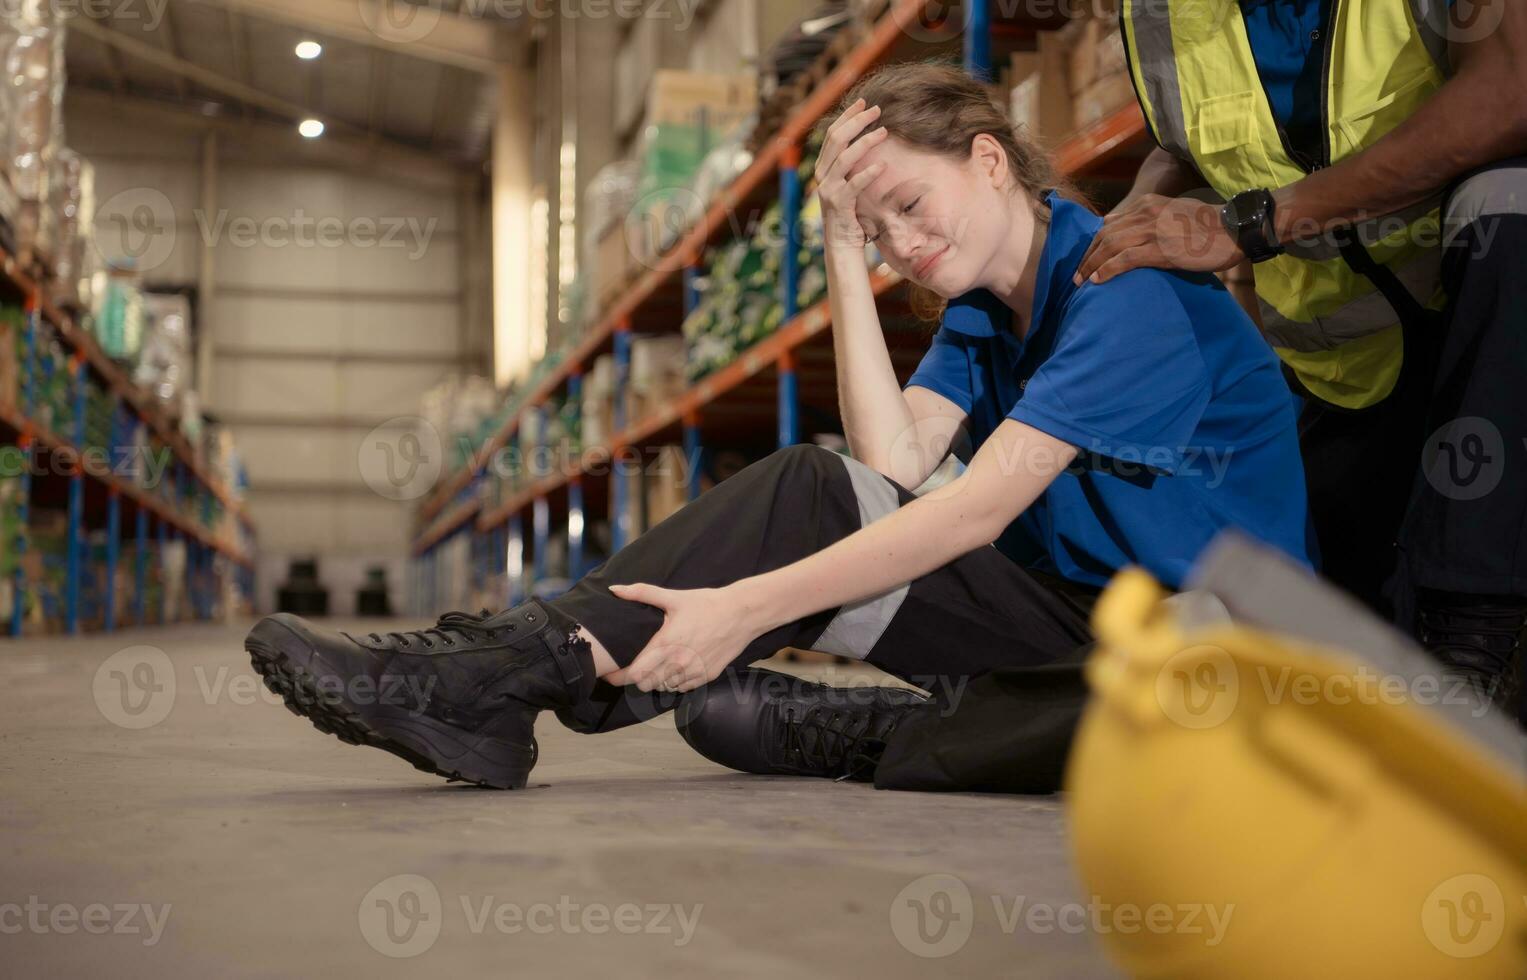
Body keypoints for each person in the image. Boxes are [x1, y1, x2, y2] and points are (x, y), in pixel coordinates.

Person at [245, 61, 1312, 791]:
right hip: (1076, 621)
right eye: (874, 223)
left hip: (1206, 652)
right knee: (812, 483)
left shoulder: (1123, 291)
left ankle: (884, 731)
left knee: (1169, 728)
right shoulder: (990, 313)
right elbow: (891, 459)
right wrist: (843, 248)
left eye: (907, 204)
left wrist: (739, 609)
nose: (900, 240)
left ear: (991, 160)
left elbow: (971, 512)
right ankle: (506, 668)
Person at [1074, 0, 1526, 722]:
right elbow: (1189, 144)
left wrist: (1253, 223)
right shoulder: (1161, 12)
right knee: (1303, 671)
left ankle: (1475, 627)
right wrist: (1126, 227)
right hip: (1353, 379)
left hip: (1488, 335)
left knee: (1510, 199)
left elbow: (1512, 87)